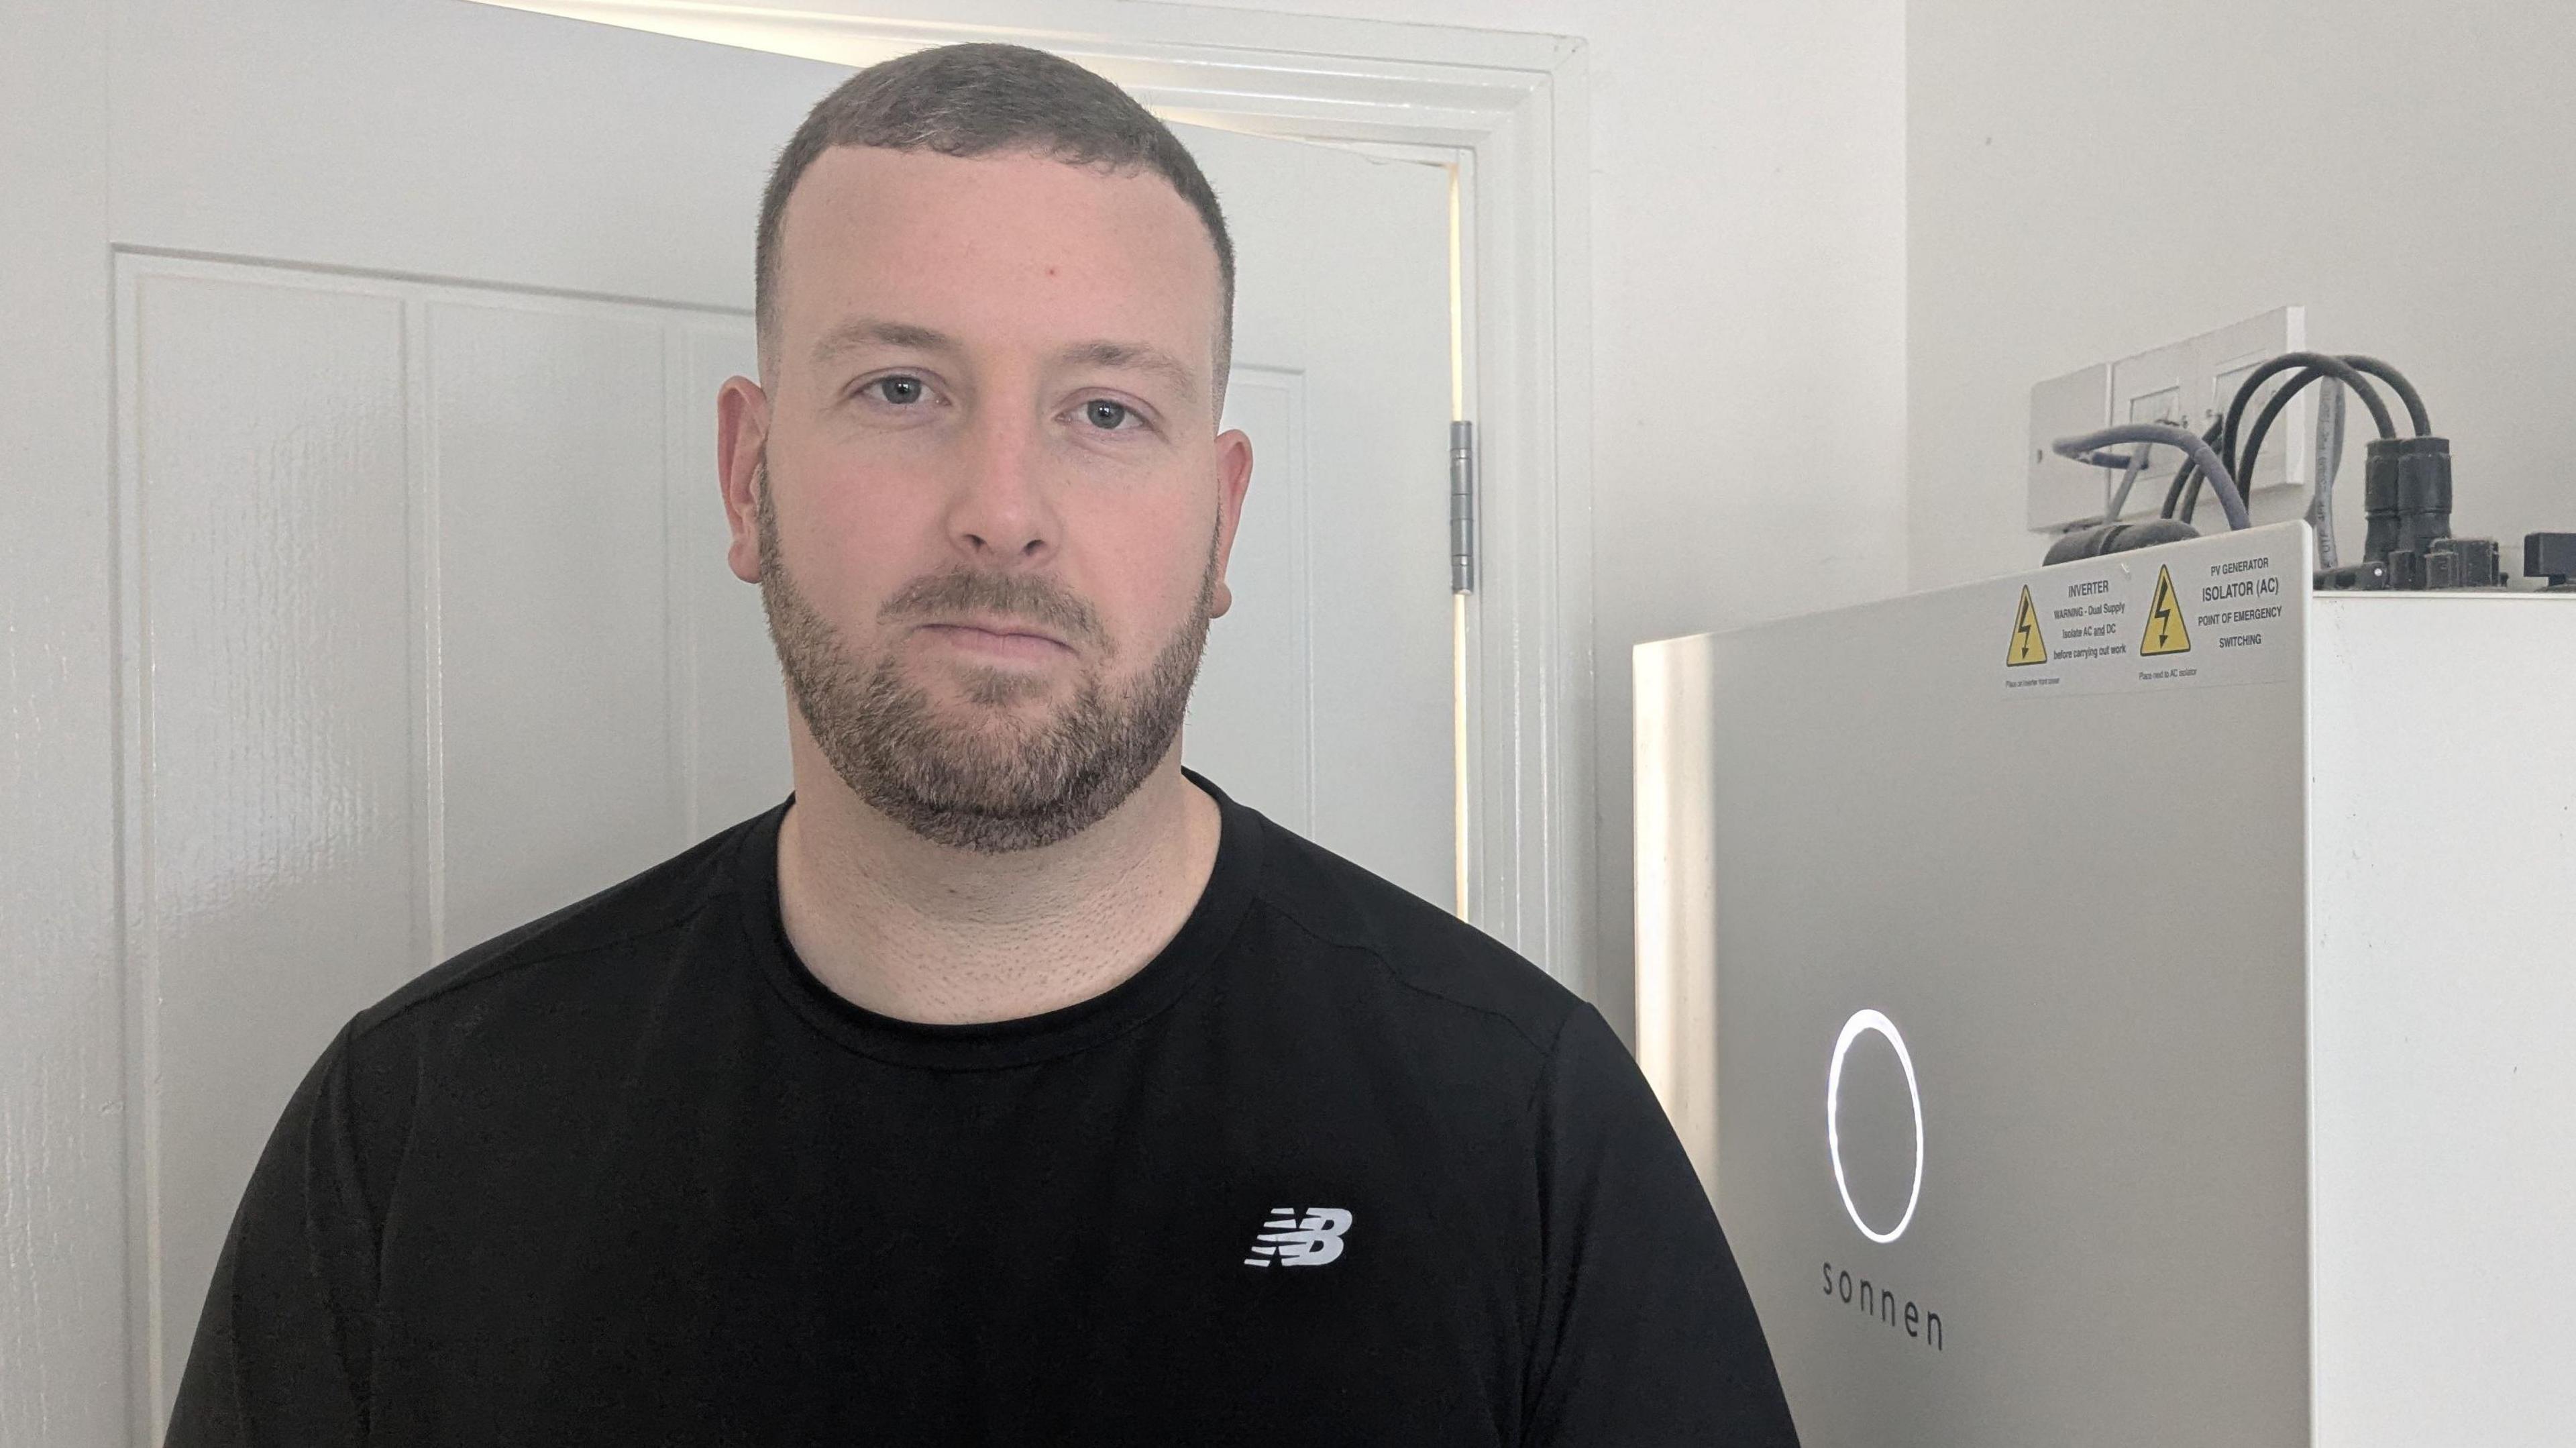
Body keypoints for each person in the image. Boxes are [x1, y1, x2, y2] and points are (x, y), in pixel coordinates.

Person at [166, 42, 1797, 1447]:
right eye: (899, 387)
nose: (1003, 513)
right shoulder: (420, 1131)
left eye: (1105, 412)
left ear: (1222, 519)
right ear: (749, 476)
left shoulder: (1520, 1118)